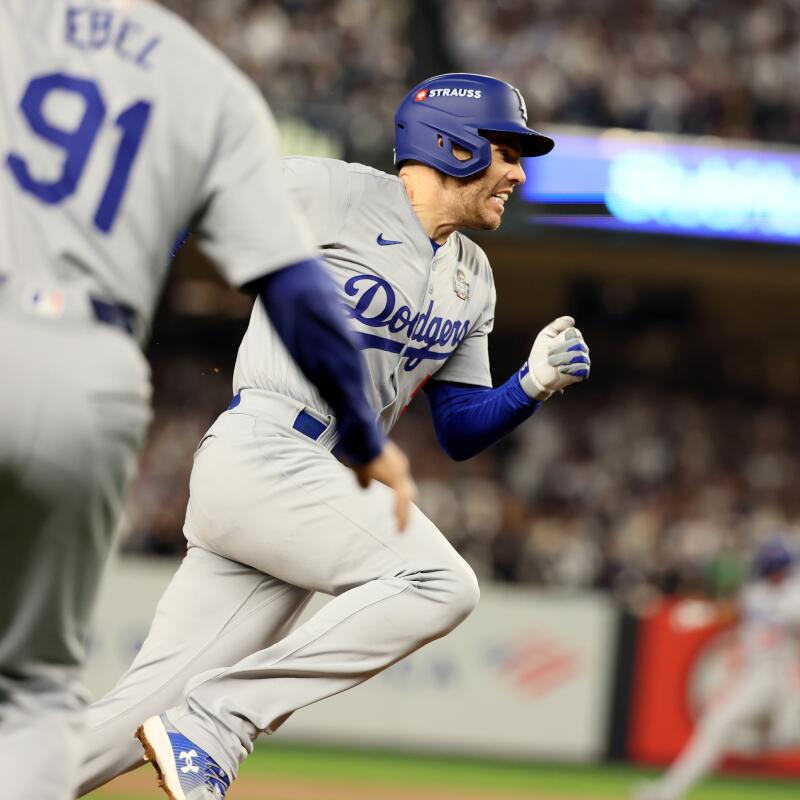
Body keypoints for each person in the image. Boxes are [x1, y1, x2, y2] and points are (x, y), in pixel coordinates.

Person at [76, 72, 592, 800]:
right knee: (439, 583)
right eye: (506, 151)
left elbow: (459, 430)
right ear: (451, 144)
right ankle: (218, 723)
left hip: (311, 487)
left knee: (137, 712)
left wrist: (528, 385)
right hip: (264, 447)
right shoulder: (334, 193)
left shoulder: (474, 277)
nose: (518, 172)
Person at [0, 2, 413, 798]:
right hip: (88, 364)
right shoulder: (211, 85)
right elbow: (293, 286)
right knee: (34, 692)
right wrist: (363, 433)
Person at [634, 538, 800, 800]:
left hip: (781, 683)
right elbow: (731, 611)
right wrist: (699, 613)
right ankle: (667, 792)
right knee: (717, 725)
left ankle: (666, 792)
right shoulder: (755, 592)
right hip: (755, 679)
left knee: (730, 727)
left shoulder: (795, 596)